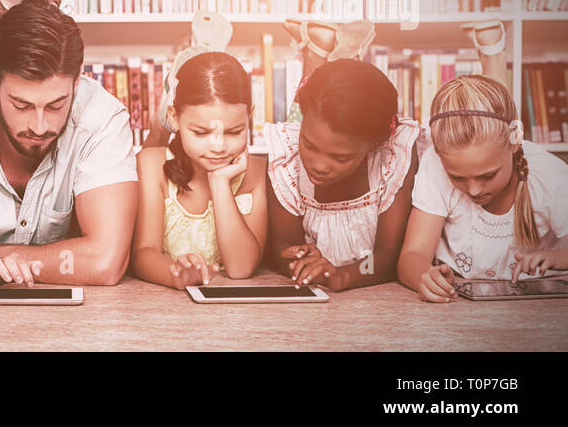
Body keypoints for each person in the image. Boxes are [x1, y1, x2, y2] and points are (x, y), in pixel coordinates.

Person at [0, 0, 138, 287]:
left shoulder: (103, 119)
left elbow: (104, 263)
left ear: (78, 80)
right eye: (21, 105)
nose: (40, 126)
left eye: (56, 105)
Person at [398, 74, 568, 303]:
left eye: (488, 175)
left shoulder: (549, 175)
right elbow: (413, 254)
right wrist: (424, 277)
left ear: (515, 142)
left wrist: (561, 257)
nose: (475, 190)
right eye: (456, 177)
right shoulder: (434, 165)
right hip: (458, 306)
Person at [264, 59, 420, 291]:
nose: (318, 165)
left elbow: (388, 255)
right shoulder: (285, 159)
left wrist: (343, 276)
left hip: (378, 303)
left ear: (374, 144)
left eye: (340, 158)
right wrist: (297, 260)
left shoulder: (393, 158)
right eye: (309, 144)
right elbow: (282, 247)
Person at [131, 52, 268, 289]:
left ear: (249, 118)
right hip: (166, 308)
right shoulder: (151, 164)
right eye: (201, 133)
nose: (218, 147)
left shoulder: (255, 172)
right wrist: (175, 274)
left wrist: (220, 183)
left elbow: (240, 268)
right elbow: (144, 253)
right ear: (174, 118)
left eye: (234, 131)